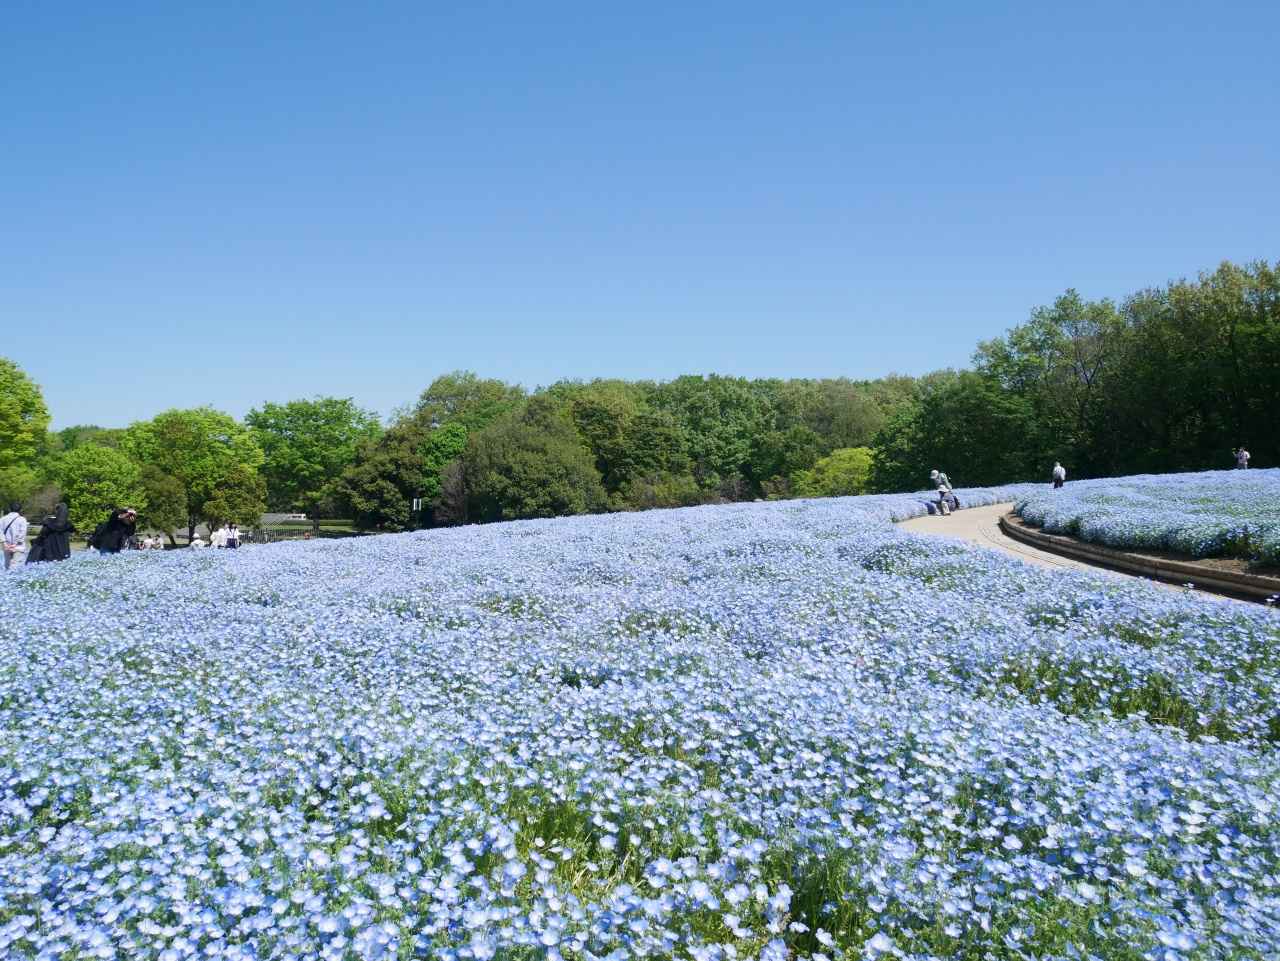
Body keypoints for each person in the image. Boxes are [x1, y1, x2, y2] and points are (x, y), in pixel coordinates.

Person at [2, 502, 29, 571]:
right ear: (20, 510)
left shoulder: (3, 519)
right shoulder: (22, 519)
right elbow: (22, 533)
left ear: (9, 509)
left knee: (7, 565)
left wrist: (4, 543)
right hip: (18, 546)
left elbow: (0, 532)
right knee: (16, 566)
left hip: (6, 546)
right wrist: (15, 544)